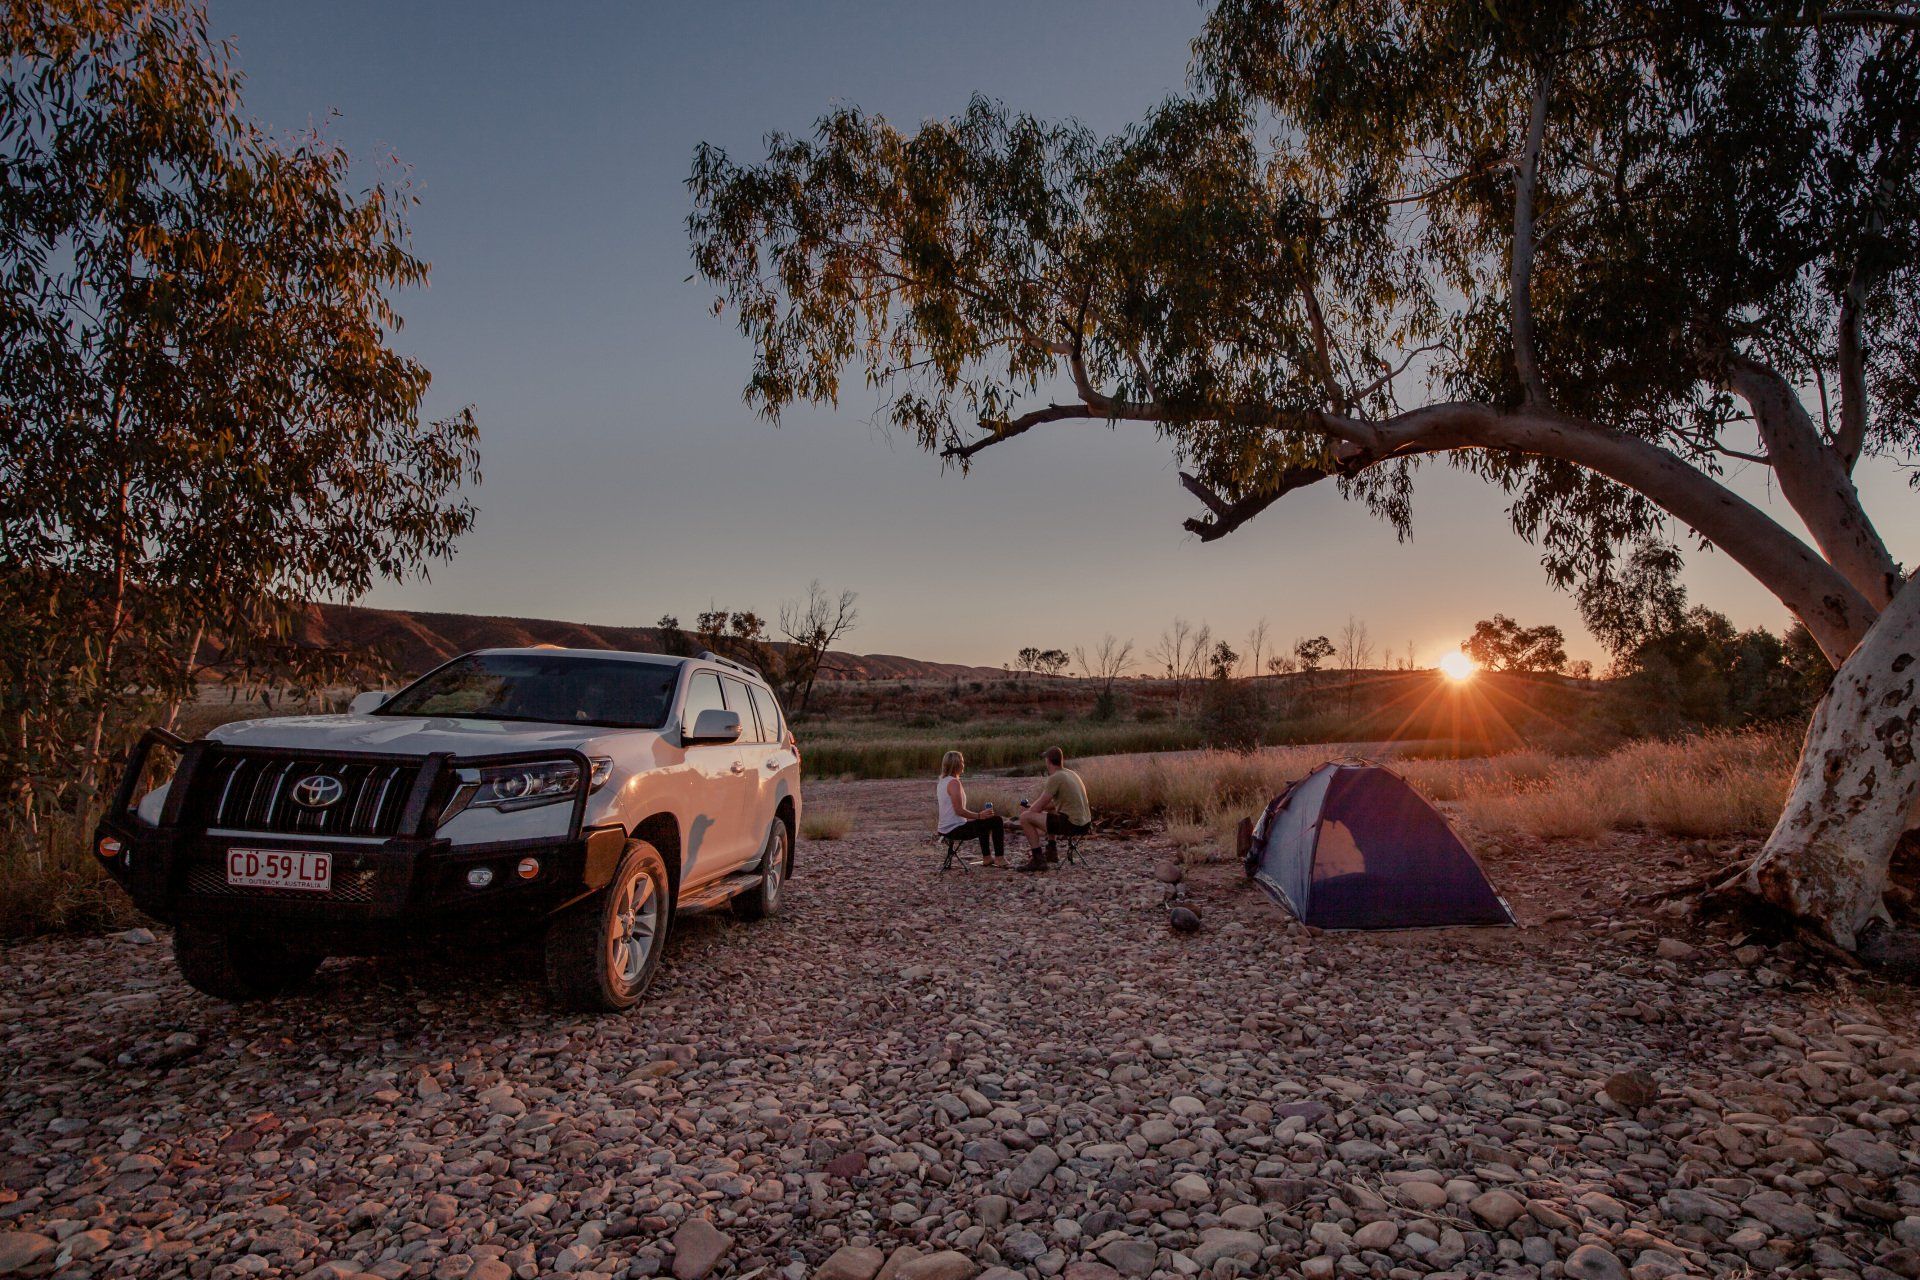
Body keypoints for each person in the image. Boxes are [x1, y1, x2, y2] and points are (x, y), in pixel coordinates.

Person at [1017, 746, 1091, 873]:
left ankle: (1038, 860)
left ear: (1048, 761)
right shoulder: (1070, 774)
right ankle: (1052, 851)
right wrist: (1033, 809)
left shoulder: (1055, 777)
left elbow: (1037, 808)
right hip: (1085, 825)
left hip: (1071, 825)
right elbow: (1051, 805)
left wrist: (1027, 811)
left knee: (1024, 818)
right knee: (1051, 810)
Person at [936, 750, 1006, 867]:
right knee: (997, 820)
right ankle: (999, 858)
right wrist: (979, 815)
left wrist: (978, 818)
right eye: (962, 762)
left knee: (984, 822)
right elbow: (958, 810)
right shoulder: (954, 783)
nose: (964, 764)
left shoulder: (942, 782)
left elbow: (952, 811)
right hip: (954, 829)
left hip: (945, 828)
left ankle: (987, 858)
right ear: (957, 764)